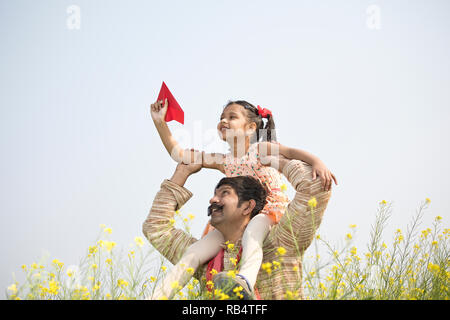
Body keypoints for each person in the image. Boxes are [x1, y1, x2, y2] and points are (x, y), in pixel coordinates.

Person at [150, 99, 337, 297]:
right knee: (194, 252)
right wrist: (160, 123)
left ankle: (245, 280)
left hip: (267, 212)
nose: (224, 120)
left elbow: (291, 152)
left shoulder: (260, 150)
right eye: (222, 117)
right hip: (237, 219)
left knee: (253, 234)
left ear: (250, 128)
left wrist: (317, 162)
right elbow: (180, 154)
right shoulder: (224, 160)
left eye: (232, 117)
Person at [142, 154, 331, 299]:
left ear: (248, 206)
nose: (213, 199)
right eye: (214, 194)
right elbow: (156, 228)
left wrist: (276, 160)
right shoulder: (206, 259)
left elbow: (314, 185)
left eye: (224, 193)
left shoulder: (280, 242)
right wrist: (181, 173)